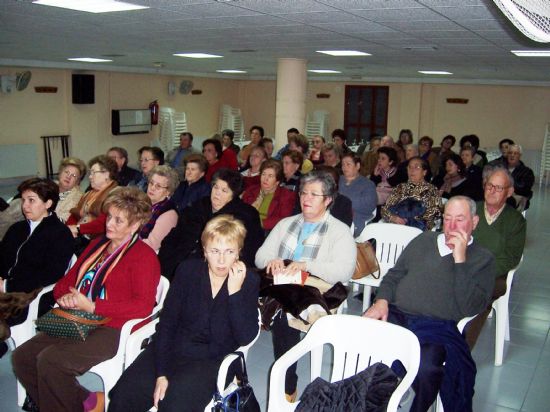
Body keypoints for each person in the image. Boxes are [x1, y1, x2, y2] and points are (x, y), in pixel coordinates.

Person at [12, 187, 161, 412]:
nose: (109, 223)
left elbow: (143, 306)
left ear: (134, 226)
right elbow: (66, 281)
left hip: (112, 327)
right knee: (22, 357)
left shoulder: (144, 257)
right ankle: (84, 402)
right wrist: (65, 297)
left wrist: (93, 306)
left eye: (118, 221)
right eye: (109, 216)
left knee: (51, 362)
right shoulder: (97, 244)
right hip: (77, 315)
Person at [109, 215, 259, 412]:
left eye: (229, 251)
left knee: (174, 405)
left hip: (212, 359)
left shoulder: (248, 280)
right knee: (124, 395)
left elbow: (245, 336)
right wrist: (161, 373)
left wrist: (235, 293)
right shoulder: (188, 271)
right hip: (173, 347)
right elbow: (168, 323)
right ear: (204, 251)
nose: (222, 260)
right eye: (215, 251)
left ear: (238, 252)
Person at [364, 196, 495, 412]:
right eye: (447, 219)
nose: (451, 227)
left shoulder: (483, 259)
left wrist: (460, 260)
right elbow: (395, 275)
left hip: (437, 327)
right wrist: (381, 301)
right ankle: (382, 397)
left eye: (460, 220)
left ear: (474, 221)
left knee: (426, 368)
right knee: (365, 346)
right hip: (397, 315)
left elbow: (471, 306)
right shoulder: (424, 240)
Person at [255, 170, 356, 401]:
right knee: (237, 294)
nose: (306, 199)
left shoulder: (338, 231)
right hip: (280, 283)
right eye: (303, 193)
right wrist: (274, 261)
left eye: (314, 194)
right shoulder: (286, 224)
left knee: (284, 311)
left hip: (316, 289)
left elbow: (344, 271)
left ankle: (287, 384)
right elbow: (261, 256)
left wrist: (305, 265)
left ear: (328, 200)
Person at [158, 169, 264, 280]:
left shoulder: (245, 216)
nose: (217, 193)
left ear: (233, 195)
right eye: (216, 187)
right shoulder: (198, 206)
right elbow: (173, 237)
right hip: (175, 266)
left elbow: (246, 253)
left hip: (211, 273)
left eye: (224, 190)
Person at [464, 166, 526, 348]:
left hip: (495, 276)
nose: (492, 191)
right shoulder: (471, 210)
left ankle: (463, 350)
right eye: (489, 185)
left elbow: (511, 258)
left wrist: (479, 271)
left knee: (479, 294)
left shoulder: (515, 221)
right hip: (463, 266)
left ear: (509, 192)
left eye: (498, 188)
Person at [0, 178, 74, 327]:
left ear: (48, 203)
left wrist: (7, 285)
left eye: (31, 200)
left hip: (30, 296)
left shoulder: (60, 234)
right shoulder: (16, 229)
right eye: (24, 200)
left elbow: (51, 275)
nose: (25, 205)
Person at [67, 155, 118, 244]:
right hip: (80, 236)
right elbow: (75, 215)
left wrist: (78, 229)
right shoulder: (89, 193)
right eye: (90, 173)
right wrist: (67, 229)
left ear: (106, 174)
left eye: (93, 172)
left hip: (98, 240)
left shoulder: (115, 194)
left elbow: (104, 222)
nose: (90, 177)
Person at [382, 157, 441, 230]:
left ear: (424, 172)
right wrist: (392, 217)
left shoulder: (431, 190)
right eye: (409, 167)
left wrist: (409, 221)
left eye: (416, 167)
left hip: (418, 229)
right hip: (396, 226)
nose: (412, 170)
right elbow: (385, 209)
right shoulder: (400, 187)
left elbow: (433, 213)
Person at [242, 159, 296, 232]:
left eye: (270, 176)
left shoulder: (286, 196)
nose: (265, 179)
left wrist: (259, 223)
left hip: (266, 232)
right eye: (263, 174)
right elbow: (242, 210)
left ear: (277, 181)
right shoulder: (251, 190)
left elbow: (284, 219)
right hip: (243, 226)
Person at [140, 165, 179, 252]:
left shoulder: (169, 214)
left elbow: (151, 245)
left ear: (168, 191)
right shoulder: (142, 202)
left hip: (145, 254)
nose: (152, 188)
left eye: (158, 186)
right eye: (151, 183)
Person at [339, 153, 377, 237]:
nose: (344, 167)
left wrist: (341, 201)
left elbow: (369, 205)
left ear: (357, 166)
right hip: (336, 218)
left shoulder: (368, 184)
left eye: (348, 164)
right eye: (343, 164)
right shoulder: (338, 180)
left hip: (357, 219)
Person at [504, 144, 534, 210]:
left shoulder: (527, 171)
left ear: (520, 156)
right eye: (510, 153)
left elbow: (524, 189)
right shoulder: (501, 168)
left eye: (515, 153)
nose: (512, 155)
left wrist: (507, 183)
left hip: (517, 198)